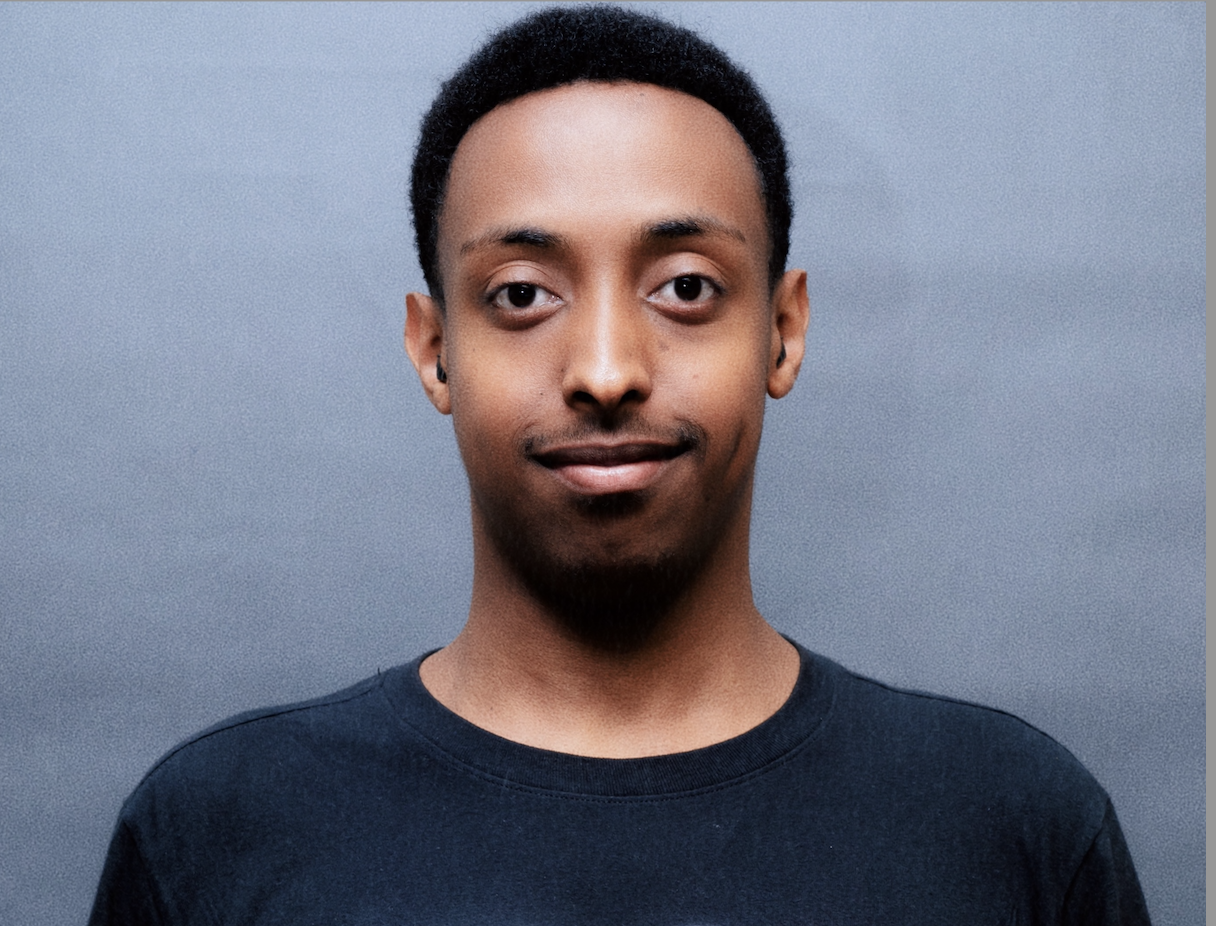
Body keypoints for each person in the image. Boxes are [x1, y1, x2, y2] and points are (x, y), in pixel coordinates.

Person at [89, 6, 1150, 923]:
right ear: (433, 347)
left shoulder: (1013, 827)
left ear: (782, 331)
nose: (605, 369)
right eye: (520, 294)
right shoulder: (215, 832)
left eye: (685, 288)